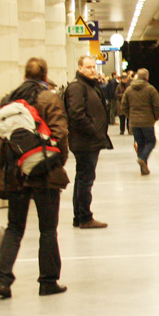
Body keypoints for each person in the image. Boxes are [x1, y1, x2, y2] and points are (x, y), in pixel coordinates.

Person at [0, 58, 69, 298]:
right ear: (45, 76)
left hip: (15, 173)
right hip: (44, 173)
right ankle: (48, 281)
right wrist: (52, 162)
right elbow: (60, 134)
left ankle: (3, 280)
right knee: (47, 229)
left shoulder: (8, 100)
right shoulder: (49, 98)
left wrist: (16, 158)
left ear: (24, 75)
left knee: (15, 227)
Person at [63, 55, 112, 228]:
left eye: (93, 67)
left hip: (89, 141)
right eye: (88, 67)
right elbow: (76, 114)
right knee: (86, 179)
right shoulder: (77, 87)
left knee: (82, 178)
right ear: (80, 68)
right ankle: (85, 217)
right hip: (85, 142)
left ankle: (79, 216)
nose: (92, 70)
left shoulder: (90, 86)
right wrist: (93, 132)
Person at [120, 68, 159, 175]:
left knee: (140, 144)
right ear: (147, 77)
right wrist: (155, 117)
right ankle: (143, 159)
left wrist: (130, 116)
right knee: (151, 142)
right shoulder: (151, 90)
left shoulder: (129, 90)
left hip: (134, 123)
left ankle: (143, 169)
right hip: (147, 122)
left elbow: (123, 106)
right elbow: (157, 106)